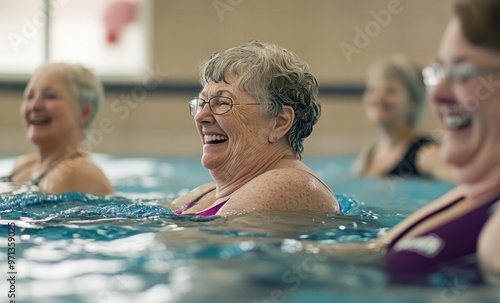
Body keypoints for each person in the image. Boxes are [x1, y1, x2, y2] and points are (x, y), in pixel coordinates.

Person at [315, 0, 500, 282]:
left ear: (412, 102)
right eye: (439, 72)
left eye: (463, 72)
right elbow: (373, 249)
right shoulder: (476, 192)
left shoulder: (425, 154)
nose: (438, 93)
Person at [172, 41, 340, 216]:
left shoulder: (285, 185)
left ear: (279, 122)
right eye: (202, 102)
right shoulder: (207, 193)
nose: (200, 117)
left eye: (222, 102)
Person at [0, 63, 114, 196]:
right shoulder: (24, 165)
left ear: (84, 112)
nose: (35, 105)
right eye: (30, 96)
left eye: (50, 96)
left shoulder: (77, 172)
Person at [353, 54, 456, 182]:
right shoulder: (368, 156)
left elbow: (465, 182)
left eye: (390, 91)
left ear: (414, 102)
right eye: (372, 89)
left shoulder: (426, 154)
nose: (378, 98)